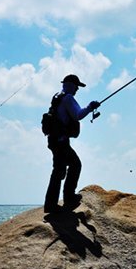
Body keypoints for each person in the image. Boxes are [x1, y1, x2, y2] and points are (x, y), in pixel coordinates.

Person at [44, 74, 100, 213]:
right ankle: (66, 198)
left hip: (54, 139)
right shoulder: (68, 98)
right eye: (77, 86)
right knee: (72, 165)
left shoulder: (57, 96)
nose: (77, 90)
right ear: (70, 85)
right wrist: (90, 106)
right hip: (61, 140)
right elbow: (77, 115)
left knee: (60, 169)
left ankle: (53, 203)